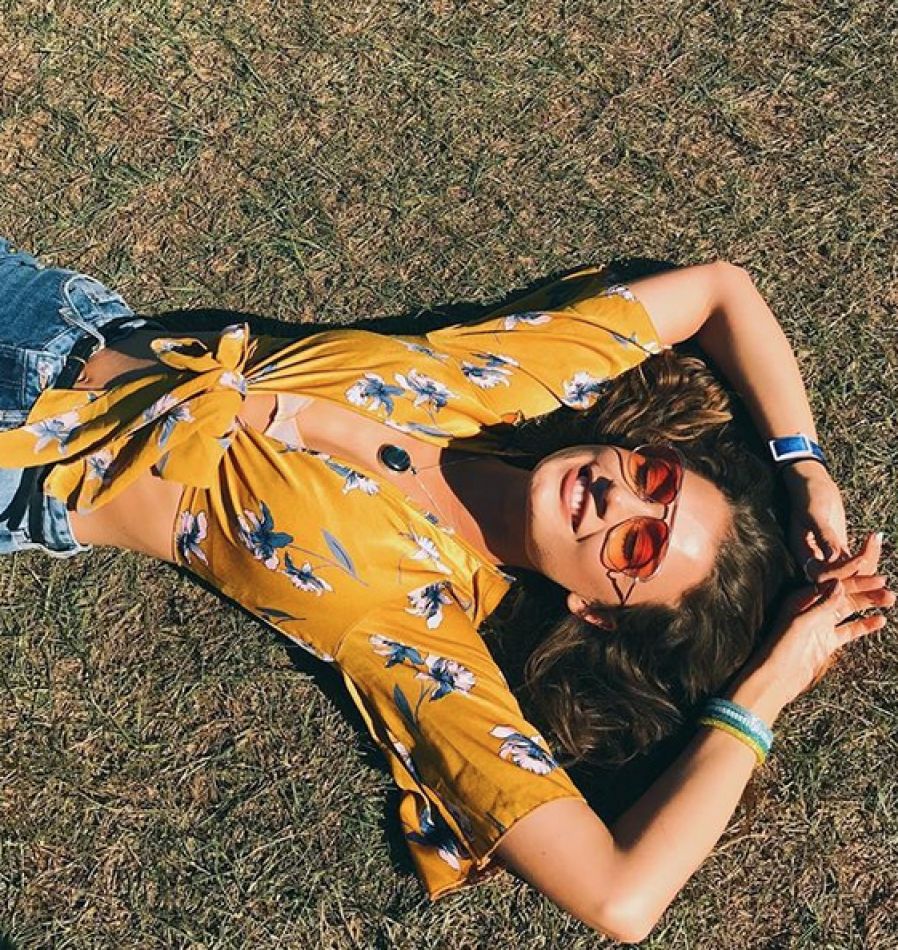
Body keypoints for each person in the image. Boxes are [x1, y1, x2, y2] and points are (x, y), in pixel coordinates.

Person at [0, 238, 891, 942]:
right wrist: (803, 468)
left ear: (593, 610)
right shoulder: (499, 384)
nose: (615, 496)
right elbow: (723, 291)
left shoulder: (418, 630)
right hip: (51, 311)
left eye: (638, 546)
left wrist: (774, 680)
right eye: (653, 478)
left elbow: (623, 898)